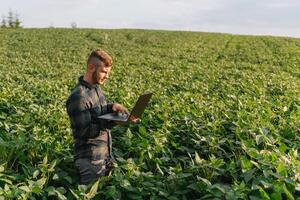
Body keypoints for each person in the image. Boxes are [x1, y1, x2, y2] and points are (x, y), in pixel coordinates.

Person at [66, 49, 138, 184]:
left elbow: (98, 112)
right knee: (90, 193)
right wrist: (114, 121)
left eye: (108, 73)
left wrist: (113, 107)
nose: (107, 76)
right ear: (91, 68)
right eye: (104, 72)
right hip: (90, 160)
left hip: (105, 155)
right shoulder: (79, 97)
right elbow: (84, 132)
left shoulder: (95, 88)